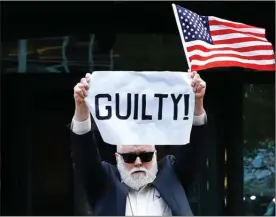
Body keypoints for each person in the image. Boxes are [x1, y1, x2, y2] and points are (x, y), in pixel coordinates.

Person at [70, 71, 208, 216]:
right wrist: (81, 107)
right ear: (117, 158)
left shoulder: (172, 175)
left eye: (146, 156)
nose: (138, 162)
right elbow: (84, 155)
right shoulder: (105, 182)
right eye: (129, 157)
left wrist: (197, 103)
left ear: (155, 155)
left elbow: (195, 149)